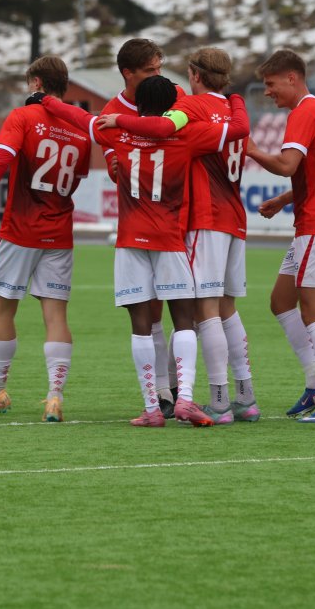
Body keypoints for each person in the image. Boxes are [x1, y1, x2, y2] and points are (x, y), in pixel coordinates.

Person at [41, 75, 250, 427]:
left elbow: (79, 117)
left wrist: (46, 101)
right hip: (170, 240)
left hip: (130, 242)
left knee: (141, 325)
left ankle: (153, 408)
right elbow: (239, 129)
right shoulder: (187, 134)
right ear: (171, 107)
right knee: (184, 319)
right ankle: (185, 400)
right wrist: (235, 100)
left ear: (138, 106)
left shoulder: (117, 132)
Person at [96, 47, 259, 425]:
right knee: (219, 310)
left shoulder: (155, 119)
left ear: (195, 75)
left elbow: (156, 128)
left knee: (198, 313)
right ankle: (239, 396)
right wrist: (237, 99)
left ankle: (201, 402)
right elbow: (238, 129)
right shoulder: (213, 117)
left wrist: (112, 120)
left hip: (189, 223)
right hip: (226, 220)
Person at [0, 56, 90, 422]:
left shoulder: (23, 117)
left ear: (36, 83)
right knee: (56, 315)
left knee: (3, 310)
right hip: (58, 233)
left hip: (19, 230)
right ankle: (54, 397)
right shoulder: (80, 129)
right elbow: (77, 179)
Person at [246, 49, 315, 424]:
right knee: (281, 301)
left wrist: (251, 149)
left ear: (291, 78)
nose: (268, 92)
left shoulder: (304, 113)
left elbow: (287, 164)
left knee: (313, 309)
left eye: (271, 84)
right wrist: (284, 199)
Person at [101, 38, 185, 419]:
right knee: (153, 312)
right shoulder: (110, 112)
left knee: (187, 310)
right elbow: (114, 164)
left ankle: (180, 391)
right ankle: (165, 394)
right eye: (151, 70)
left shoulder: (173, 95)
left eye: (159, 67)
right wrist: (115, 166)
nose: (158, 75)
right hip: (145, 221)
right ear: (128, 73)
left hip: (178, 220)